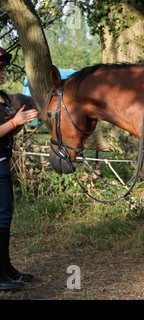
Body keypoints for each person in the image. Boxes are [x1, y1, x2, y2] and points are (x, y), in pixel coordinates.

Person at [0, 47, 38, 291]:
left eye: (3, 68)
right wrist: (14, 121)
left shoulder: (2, 97)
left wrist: (19, 122)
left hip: (3, 164)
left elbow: (8, 130)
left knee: (5, 218)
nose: (2, 73)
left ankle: (6, 268)